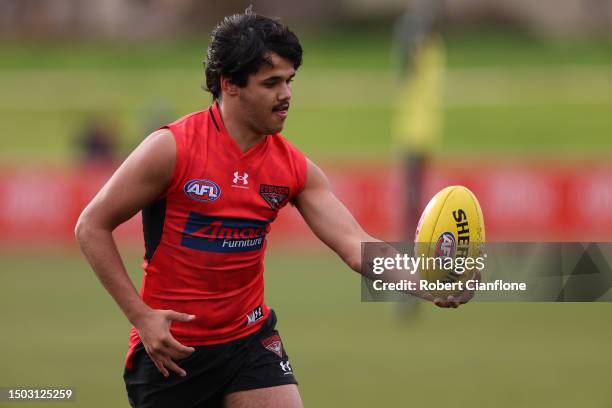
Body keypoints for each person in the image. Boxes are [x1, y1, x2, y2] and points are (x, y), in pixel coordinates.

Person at [75, 8, 470, 408]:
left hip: (250, 341)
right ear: (230, 85)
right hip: (171, 353)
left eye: (290, 80)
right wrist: (140, 317)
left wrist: (426, 281)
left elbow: (357, 245)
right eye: (272, 83)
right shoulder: (171, 149)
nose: (286, 95)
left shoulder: (293, 168)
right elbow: (90, 226)